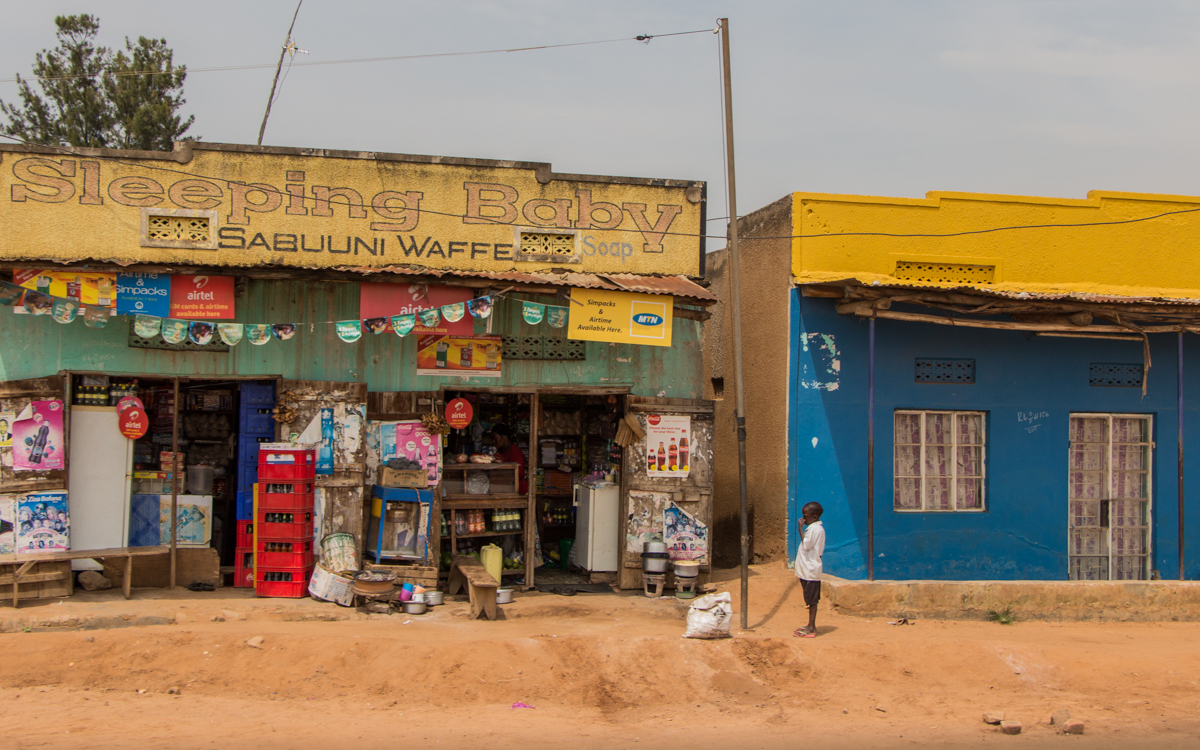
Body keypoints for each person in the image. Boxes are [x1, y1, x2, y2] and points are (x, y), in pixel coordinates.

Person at [793, 501, 826, 638]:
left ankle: (811, 627)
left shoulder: (814, 529)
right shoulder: (814, 529)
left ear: (814, 516)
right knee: (809, 599)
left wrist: (800, 529)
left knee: (812, 601)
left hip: (810, 571)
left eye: (805, 516)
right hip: (807, 570)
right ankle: (810, 625)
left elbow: (806, 545)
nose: (803, 519)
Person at [488, 423, 528, 495]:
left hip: (518, 491)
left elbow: (518, 473)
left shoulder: (515, 452)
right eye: (492, 439)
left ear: (504, 437)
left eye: (496, 438)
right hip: (505, 490)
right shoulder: (499, 453)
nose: (493, 441)